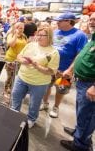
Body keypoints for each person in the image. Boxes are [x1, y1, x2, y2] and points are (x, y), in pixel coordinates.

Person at [40, 12, 88, 118]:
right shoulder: (56, 32)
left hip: (64, 69)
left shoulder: (80, 35)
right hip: (51, 67)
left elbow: (80, 55)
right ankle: (45, 103)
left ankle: (56, 107)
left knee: (60, 89)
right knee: (46, 86)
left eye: (60, 21)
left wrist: (70, 70)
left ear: (68, 22)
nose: (57, 23)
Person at [11, 27, 60, 128]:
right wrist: (22, 60)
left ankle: (31, 119)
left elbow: (51, 71)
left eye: (42, 35)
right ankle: (14, 113)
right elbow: (19, 56)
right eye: (38, 34)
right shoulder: (30, 45)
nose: (39, 37)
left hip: (39, 83)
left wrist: (37, 65)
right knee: (16, 97)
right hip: (22, 77)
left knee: (34, 104)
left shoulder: (54, 52)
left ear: (49, 37)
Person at [60, 12, 95, 151]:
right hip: (82, 82)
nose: (91, 22)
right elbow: (82, 55)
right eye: (91, 19)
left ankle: (80, 145)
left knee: (87, 116)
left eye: (94, 19)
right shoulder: (92, 38)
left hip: (90, 84)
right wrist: (71, 69)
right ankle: (79, 133)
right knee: (82, 113)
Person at [4, 22, 27, 97]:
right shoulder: (11, 35)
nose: (22, 30)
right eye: (20, 28)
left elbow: (25, 46)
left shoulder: (24, 36)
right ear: (15, 28)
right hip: (11, 59)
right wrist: (16, 36)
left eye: (23, 28)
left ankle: (11, 90)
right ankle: (5, 91)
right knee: (10, 77)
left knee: (16, 77)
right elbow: (11, 44)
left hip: (19, 60)